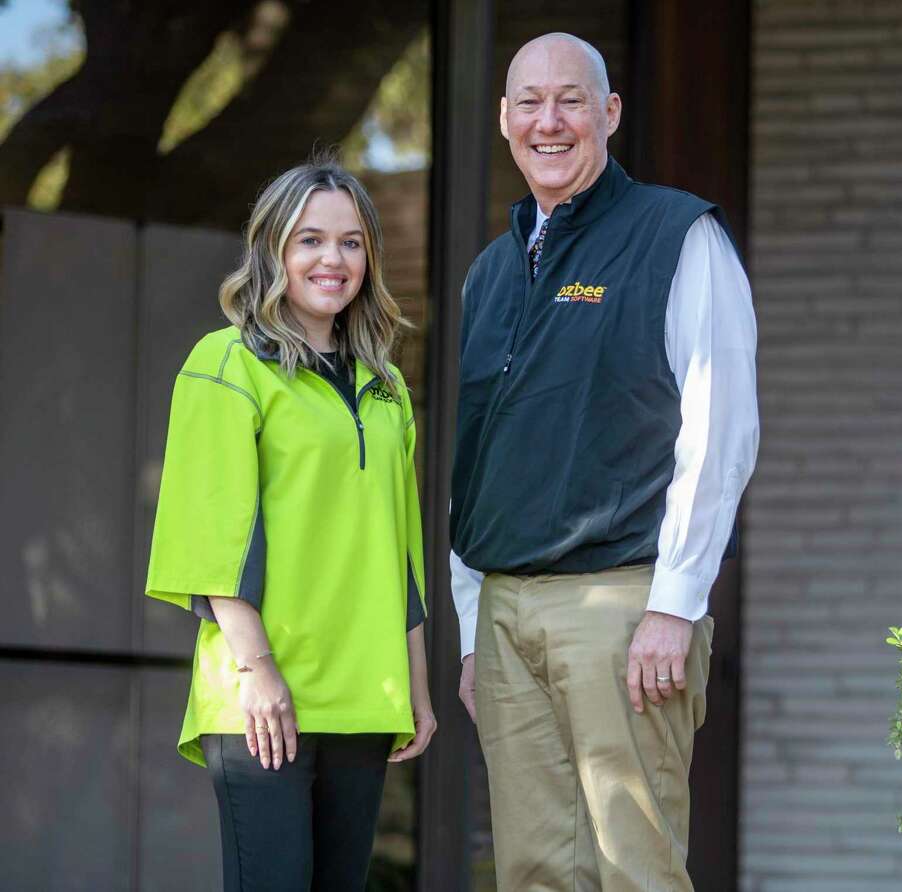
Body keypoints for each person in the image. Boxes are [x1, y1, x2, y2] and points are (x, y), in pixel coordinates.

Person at [449, 32, 759, 892]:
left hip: (623, 605)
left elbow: (721, 428)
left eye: (572, 99)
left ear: (610, 113)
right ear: (505, 120)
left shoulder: (675, 235)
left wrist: (675, 603)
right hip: (506, 612)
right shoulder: (491, 272)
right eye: (529, 103)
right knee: (534, 871)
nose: (549, 121)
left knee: (634, 869)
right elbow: (475, 459)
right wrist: (474, 627)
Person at [145, 158, 434, 892]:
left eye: (350, 243)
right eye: (309, 240)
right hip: (261, 695)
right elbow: (208, 534)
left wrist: (416, 688)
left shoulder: (386, 386)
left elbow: (401, 554)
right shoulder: (226, 363)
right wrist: (259, 670)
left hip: (363, 694)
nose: (331, 260)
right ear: (272, 249)